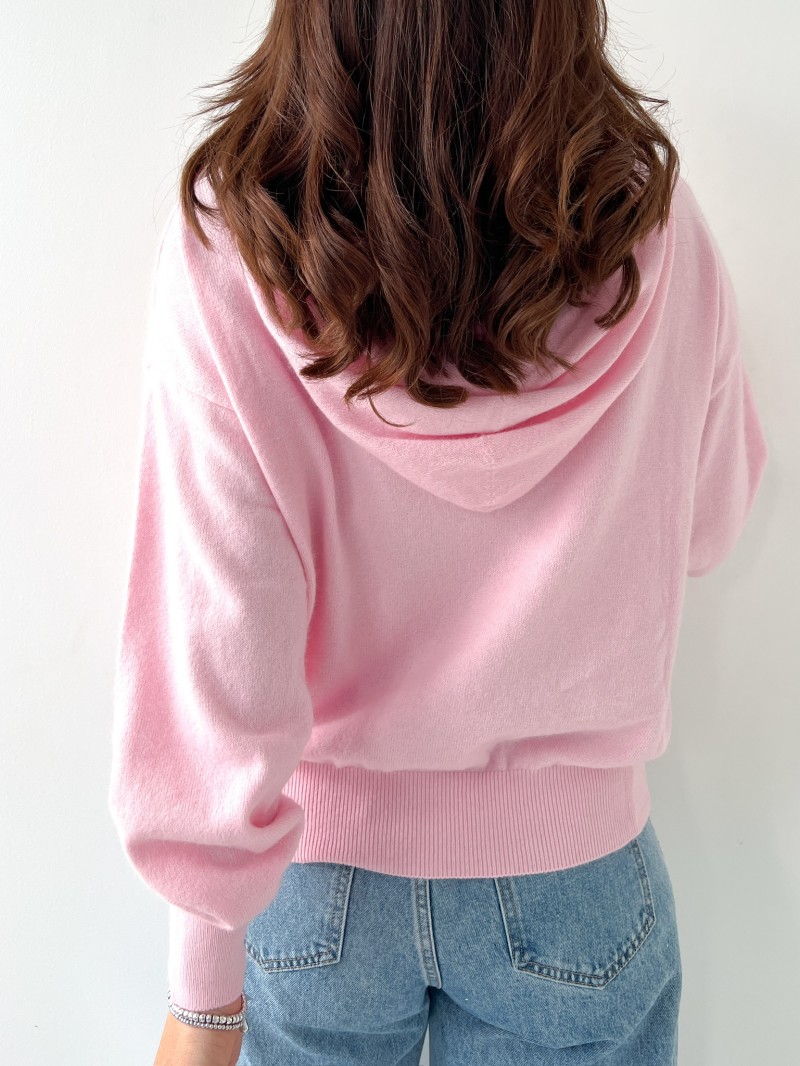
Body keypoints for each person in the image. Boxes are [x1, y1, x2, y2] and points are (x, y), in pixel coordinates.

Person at [108, 2, 769, 1064]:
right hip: (575, 885)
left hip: (314, 891)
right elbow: (711, 521)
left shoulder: (233, 251)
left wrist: (203, 995)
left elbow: (216, 641)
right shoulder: (655, 232)